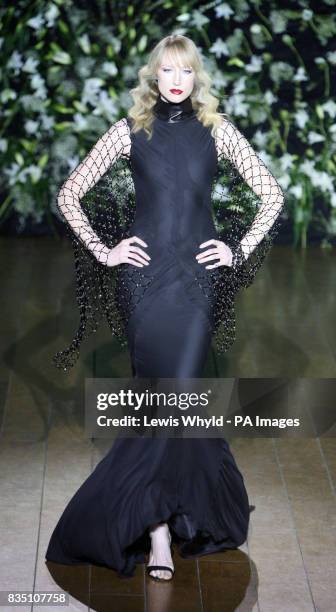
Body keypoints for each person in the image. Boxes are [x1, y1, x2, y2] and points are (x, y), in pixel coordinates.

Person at [46, 34, 285, 581]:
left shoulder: (218, 132)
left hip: (198, 285)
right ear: (153, 78)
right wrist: (107, 250)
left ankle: (173, 511)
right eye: (166, 71)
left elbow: (270, 194)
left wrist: (236, 248)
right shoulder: (128, 131)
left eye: (185, 71)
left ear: (195, 77)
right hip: (144, 285)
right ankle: (156, 532)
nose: (176, 80)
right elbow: (70, 193)